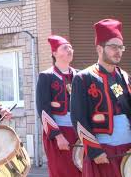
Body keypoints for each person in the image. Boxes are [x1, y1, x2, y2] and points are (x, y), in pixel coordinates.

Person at [71, 19, 131, 177]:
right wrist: (94, 150)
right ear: (99, 48)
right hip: (103, 154)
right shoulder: (83, 78)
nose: (118, 51)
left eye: (121, 47)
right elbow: (78, 118)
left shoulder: (125, 77)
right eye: (113, 47)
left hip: (127, 153)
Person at [36, 35, 81, 177]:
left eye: (71, 47)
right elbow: (43, 110)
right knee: (61, 171)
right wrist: (57, 135)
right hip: (58, 133)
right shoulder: (46, 76)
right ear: (55, 53)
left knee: (81, 170)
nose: (70, 50)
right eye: (65, 47)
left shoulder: (80, 76)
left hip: (79, 132)